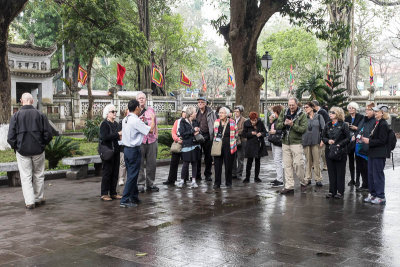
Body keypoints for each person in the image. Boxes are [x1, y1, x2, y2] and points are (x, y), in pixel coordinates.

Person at [7, 93, 53, 209]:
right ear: (32, 101)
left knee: (26, 176)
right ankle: (38, 198)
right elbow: (48, 134)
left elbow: (10, 137)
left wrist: (17, 147)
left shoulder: (16, 116)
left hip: (22, 151)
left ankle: (29, 201)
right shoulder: (40, 115)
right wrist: (42, 145)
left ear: (21, 101)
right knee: (38, 174)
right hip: (38, 150)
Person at [120, 99, 155, 208]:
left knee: (132, 174)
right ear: (136, 108)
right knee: (132, 176)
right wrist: (153, 119)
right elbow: (150, 130)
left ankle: (134, 197)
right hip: (134, 150)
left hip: (126, 149)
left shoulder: (125, 119)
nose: (140, 109)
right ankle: (125, 199)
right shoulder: (135, 120)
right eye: (139, 107)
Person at [276, 97, 308, 194]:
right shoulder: (284, 112)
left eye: (293, 105)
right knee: (287, 165)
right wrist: (283, 123)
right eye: (289, 105)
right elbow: (278, 125)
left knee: (298, 164)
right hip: (285, 142)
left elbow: (303, 129)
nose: (291, 107)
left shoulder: (302, 114)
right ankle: (289, 186)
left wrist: (292, 125)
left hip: (296, 143)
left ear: (297, 104)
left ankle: (303, 181)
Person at [362, 105, 390, 205]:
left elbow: (382, 140)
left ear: (382, 113)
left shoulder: (383, 124)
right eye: (375, 111)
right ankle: (373, 194)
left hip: (379, 153)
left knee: (378, 174)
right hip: (373, 152)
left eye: (377, 111)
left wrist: (369, 141)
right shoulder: (377, 123)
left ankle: (380, 196)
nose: (375, 113)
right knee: (371, 174)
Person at [322, 107, 350, 199]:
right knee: (331, 172)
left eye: (333, 113)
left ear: (338, 114)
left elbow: (348, 138)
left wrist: (339, 144)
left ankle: (340, 192)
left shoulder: (344, 125)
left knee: (340, 172)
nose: (330, 114)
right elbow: (323, 136)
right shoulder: (328, 124)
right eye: (330, 112)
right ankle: (332, 191)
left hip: (340, 151)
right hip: (329, 150)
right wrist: (328, 141)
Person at [137, 92, 159, 193]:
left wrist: (156, 137)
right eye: (139, 98)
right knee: (140, 163)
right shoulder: (134, 111)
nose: (141, 100)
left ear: (146, 100)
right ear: (137, 100)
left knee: (152, 163)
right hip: (140, 141)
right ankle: (140, 184)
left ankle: (150, 183)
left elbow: (156, 125)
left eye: (143, 98)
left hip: (151, 140)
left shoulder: (151, 110)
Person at [99, 104, 122, 201]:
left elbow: (118, 136)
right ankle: (104, 193)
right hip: (108, 151)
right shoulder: (104, 124)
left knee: (115, 172)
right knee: (107, 172)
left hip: (116, 150)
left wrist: (119, 136)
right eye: (112, 112)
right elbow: (104, 137)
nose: (115, 113)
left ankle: (113, 192)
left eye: (115, 111)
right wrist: (117, 134)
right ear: (107, 113)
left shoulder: (116, 124)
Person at [176, 106, 201, 188]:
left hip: (195, 145)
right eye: (194, 112)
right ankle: (182, 180)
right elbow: (183, 134)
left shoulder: (195, 121)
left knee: (194, 163)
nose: (196, 113)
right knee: (185, 163)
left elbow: (197, 130)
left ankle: (194, 181)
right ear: (190, 114)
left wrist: (198, 130)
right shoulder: (183, 122)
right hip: (186, 145)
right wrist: (193, 130)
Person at [213, 107, 237, 189]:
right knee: (217, 165)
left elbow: (236, 133)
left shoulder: (232, 122)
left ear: (226, 114)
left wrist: (233, 142)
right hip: (218, 145)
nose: (220, 114)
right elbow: (214, 133)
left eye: (222, 113)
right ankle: (217, 183)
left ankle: (228, 182)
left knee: (228, 165)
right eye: (219, 112)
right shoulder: (216, 122)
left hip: (229, 146)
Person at [302, 102, 325, 187]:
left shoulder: (319, 116)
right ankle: (307, 178)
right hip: (306, 141)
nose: (305, 109)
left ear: (312, 108)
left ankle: (318, 179)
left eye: (307, 107)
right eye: (304, 107)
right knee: (308, 161)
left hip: (316, 141)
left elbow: (323, 129)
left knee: (317, 160)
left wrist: (322, 140)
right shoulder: (304, 117)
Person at [354, 103, 376, 193]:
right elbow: (359, 130)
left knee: (367, 168)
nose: (367, 112)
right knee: (361, 167)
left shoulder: (374, 121)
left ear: (374, 112)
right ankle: (364, 185)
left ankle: (369, 186)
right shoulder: (364, 119)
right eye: (366, 110)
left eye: (369, 110)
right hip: (359, 147)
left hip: (367, 147)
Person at [163, 107, 186, 186]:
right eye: (184, 112)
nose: (185, 113)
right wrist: (177, 139)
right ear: (182, 113)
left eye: (187, 112)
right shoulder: (177, 121)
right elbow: (173, 132)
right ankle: (171, 179)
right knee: (174, 162)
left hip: (186, 144)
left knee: (185, 162)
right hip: (177, 143)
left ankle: (185, 179)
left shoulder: (190, 121)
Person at [243, 111, 268, 183]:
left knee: (258, 161)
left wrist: (261, 134)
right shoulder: (246, 123)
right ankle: (247, 177)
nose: (253, 122)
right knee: (249, 161)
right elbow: (244, 134)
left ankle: (256, 177)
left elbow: (265, 132)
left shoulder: (260, 123)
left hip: (258, 144)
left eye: (255, 120)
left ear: (257, 119)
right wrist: (251, 133)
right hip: (250, 145)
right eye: (252, 120)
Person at [196, 97, 217, 182]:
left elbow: (215, 123)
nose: (200, 103)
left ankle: (208, 175)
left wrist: (214, 135)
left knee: (208, 157)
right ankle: (197, 175)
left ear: (205, 103)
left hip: (208, 136)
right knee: (197, 156)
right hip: (198, 136)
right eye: (199, 102)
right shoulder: (196, 112)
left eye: (202, 102)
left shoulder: (211, 112)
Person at [345, 102, 364, 187]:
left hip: (358, 141)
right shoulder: (347, 118)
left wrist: (355, 128)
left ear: (356, 109)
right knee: (351, 162)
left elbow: (363, 128)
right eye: (349, 108)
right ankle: (352, 179)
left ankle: (357, 180)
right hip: (349, 141)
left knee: (358, 161)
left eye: (353, 108)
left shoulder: (361, 117)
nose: (351, 109)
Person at [268, 105, 284, 187]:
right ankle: (278, 178)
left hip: (278, 142)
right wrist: (270, 121)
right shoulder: (276, 120)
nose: (273, 113)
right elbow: (270, 129)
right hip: (274, 141)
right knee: (276, 160)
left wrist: (276, 131)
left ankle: (280, 179)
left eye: (274, 112)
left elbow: (283, 130)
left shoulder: (281, 120)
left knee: (278, 160)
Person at [312, 100, 329, 171]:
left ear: (315, 106)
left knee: (323, 151)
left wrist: (324, 133)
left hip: (322, 133)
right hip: (315, 133)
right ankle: (315, 164)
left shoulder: (323, 112)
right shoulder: (313, 112)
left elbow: (327, 122)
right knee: (315, 150)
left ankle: (325, 165)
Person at [232, 105, 246, 180]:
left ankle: (239, 173)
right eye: (235, 111)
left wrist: (235, 131)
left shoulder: (244, 120)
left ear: (241, 112)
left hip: (242, 140)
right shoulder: (232, 119)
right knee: (233, 158)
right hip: (233, 141)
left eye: (237, 111)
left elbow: (243, 130)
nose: (236, 113)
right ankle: (233, 173)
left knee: (240, 158)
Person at [118, 109, 129, 186]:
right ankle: (121, 178)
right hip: (123, 145)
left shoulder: (135, 121)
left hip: (131, 145)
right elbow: (120, 134)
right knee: (123, 163)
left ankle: (129, 179)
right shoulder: (121, 122)